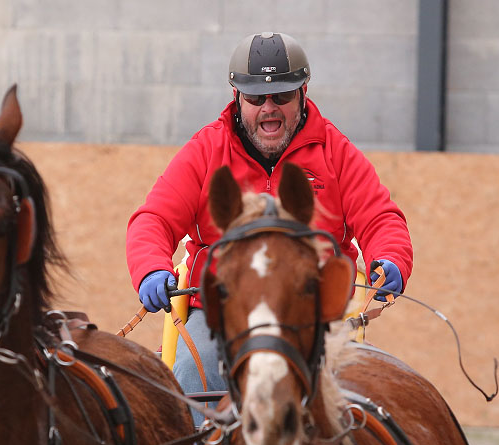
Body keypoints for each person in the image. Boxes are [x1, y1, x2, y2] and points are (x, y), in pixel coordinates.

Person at [126, 32, 413, 424]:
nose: (269, 109)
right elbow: (154, 219)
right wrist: (150, 268)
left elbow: (381, 218)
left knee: (382, 403)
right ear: (237, 97)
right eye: (256, 98)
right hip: (222, 316)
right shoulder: (206, 150)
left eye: (281, 96)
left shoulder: (336, 152)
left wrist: (391, 257)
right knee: (190, 390)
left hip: (314, 315)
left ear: (303, 93)